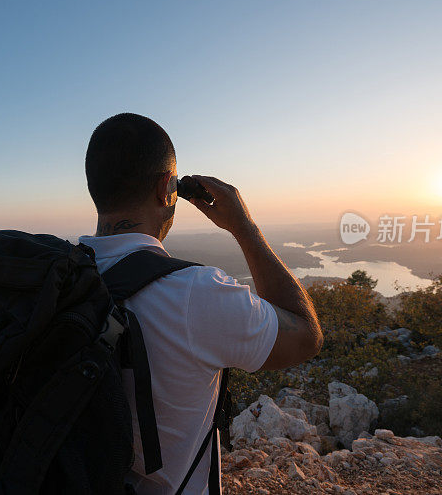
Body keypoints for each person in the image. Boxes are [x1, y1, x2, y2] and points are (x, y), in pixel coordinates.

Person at [80, 113, 323, 494]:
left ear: (96, 188)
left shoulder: (54, 279)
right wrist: (244, 226)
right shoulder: (196, 292)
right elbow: (306, 335)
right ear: (166, 188)